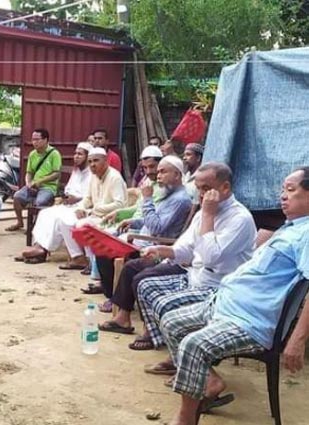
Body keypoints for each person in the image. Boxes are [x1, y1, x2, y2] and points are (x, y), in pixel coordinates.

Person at [159, 167, 309, 425]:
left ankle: (185, 419)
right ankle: (209, 381)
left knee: (193, 345)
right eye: (283, 189)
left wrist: (297, 340)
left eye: (291, 190)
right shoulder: (291, 228)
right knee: (171, 322)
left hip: (248, 321)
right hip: (225, 302)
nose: (283, 196)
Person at [99, 163, 256, 351]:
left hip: (217, 285)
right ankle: (165, 341)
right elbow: (186, 248)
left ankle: (171, 347)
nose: (201, 195)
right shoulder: (203, 212)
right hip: (195, 274)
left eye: (206, 188)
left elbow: (209, 258)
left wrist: (207, 215)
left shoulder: (239, 218)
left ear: (225, 187)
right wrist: (161, 250)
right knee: (144, 284)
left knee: (151, 289)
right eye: (198, 188)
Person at [90, 155, 192, 309]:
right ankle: (113, 296)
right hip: (141, 241)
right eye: (158, 172)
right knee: (103, 249)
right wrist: (133, 221)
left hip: (153, 247)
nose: (158, 176)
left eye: (163, 172)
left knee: (107, 254)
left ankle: (115, 300)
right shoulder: (169, 195)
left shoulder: (180, 199)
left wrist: (148, 199)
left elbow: (157, 227)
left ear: (177, 175)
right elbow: (153, 220)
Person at [20, 147, 126, 268]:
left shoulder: (114, 177)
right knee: (63, 221)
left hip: (109, 217)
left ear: (106, 161)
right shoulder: (95, 176)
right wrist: (81, 208)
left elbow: (120, 204)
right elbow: (88, 198)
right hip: (92, 213)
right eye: (90, 161)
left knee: (80, 224)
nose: (92, 164)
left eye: (96, 161)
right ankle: (77, 257)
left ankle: (91, 262)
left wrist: (91, 210)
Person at [16, 142, 92, 264]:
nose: (76, 156)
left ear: (88, 157)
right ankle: (38, 246)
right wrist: (66, 197)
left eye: (80, 154)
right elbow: (68, 189)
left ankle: (45, 250)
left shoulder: (92, 173)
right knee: (45, 213)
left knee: (60, 218)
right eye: (75, 153)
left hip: (83, 207)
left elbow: (91, 197)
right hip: (69, 204)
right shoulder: (76, 171)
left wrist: (77, 199)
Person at [7, 129, 62, 232]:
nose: (34, 142)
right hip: (33, 185)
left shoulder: (54, 154)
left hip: (48, 187)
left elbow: (56, 174)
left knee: (39, 202)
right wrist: (28, 183)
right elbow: (29, 173)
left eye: (37, 139)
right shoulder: (32, 154)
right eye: (33, 139)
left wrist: (40, 182)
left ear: (45, 140)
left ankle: (35, 226)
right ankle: (20, 222)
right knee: (17, 197)